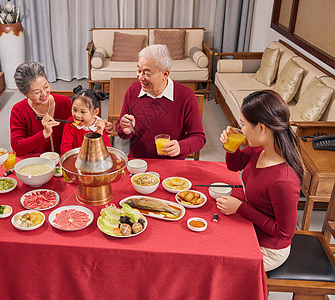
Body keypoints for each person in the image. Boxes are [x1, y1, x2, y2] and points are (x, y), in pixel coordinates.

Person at [216, 90, 304, 272]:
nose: (241, 129)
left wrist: (240, 207)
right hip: (252, 228)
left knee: (216, 263)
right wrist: (231, 147)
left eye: (243, 124)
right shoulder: (261, 149)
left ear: (262, 128)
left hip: (269, 248)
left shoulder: (283, 181)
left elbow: (284, 233)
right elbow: (236, 165)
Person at [115, 44, 205, 159]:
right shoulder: (133, 90)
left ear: (165, 74)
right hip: (138, 162)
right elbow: (120, 130)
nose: (140, 77)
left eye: (147, 73)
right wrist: (125, 129)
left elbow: (199, 138)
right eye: (139, 70)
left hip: (172, 164)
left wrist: (180, 147)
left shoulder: (186, 96)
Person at [11, 62, 114, 156]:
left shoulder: (65, 102)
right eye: (37, 92)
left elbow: (88, 117)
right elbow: (17, 148)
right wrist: (44, 134)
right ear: (24, 94)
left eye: (46, 86)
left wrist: (102, 128)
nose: (44, 94)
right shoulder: (19, 111)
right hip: (37, 162)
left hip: (65, 161)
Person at [61, 86, 112, 154]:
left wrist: (100, 133)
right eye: (74, 110)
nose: (77, 115)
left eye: (83, 112)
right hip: (76, 158)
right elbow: (65, 147)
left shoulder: (100, 125)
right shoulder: (70, 123)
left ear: (95, 112)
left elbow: (107, 150)